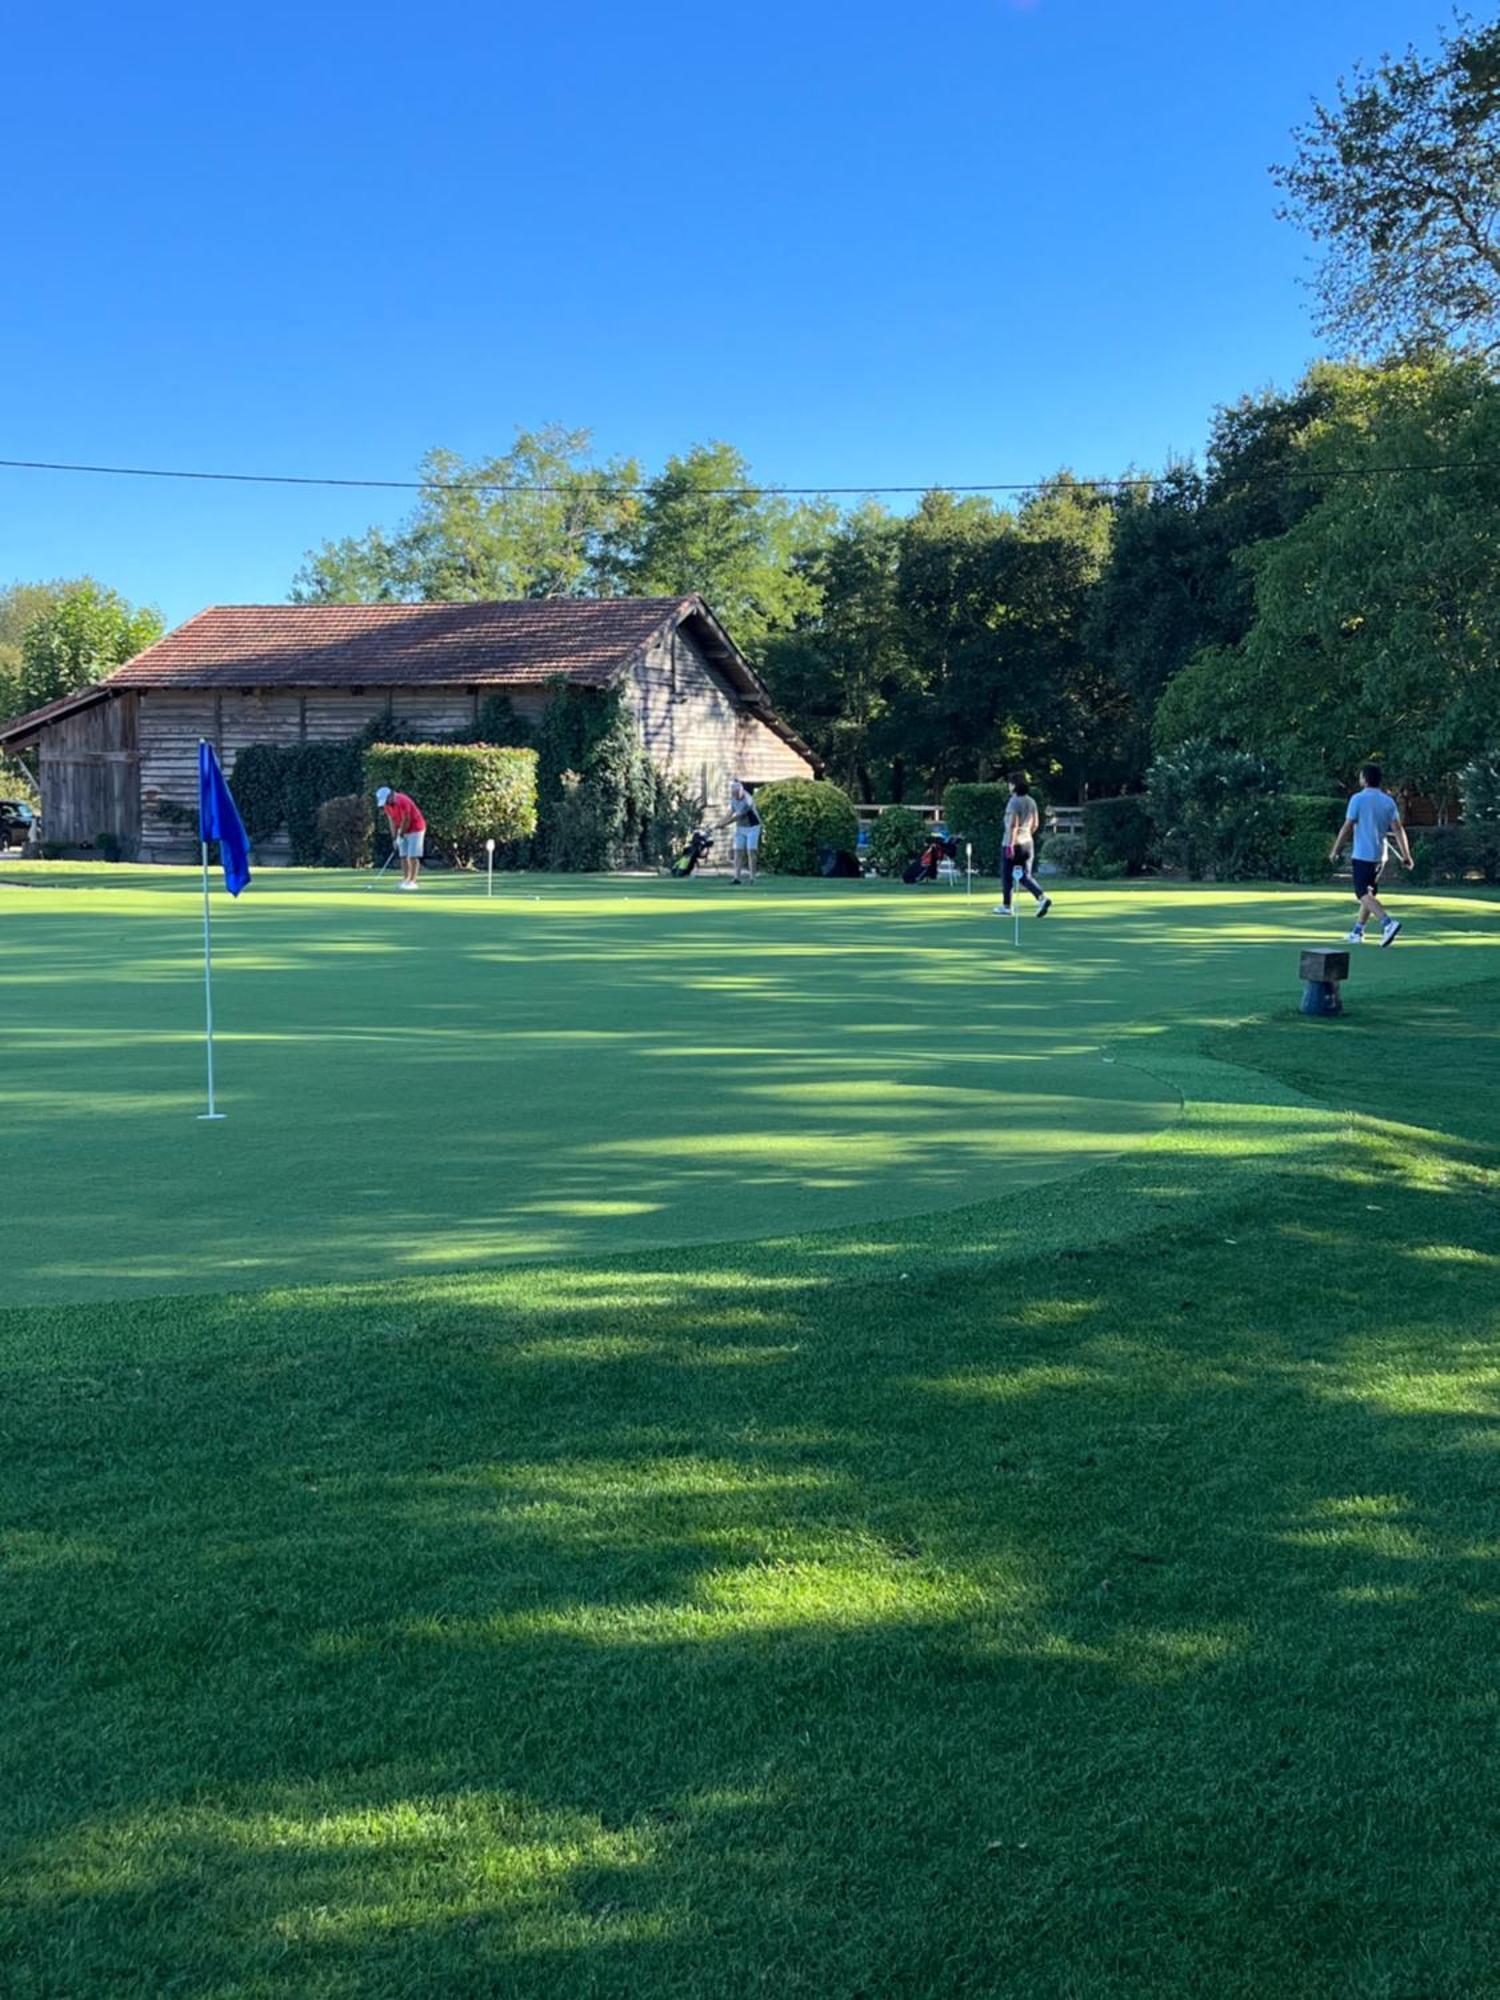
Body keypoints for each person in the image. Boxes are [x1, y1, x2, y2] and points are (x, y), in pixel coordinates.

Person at [1329, 763, 1413, 946]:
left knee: (1362, 894)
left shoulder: (1357, 799)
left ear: (1365, 779)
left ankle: (1388, 923)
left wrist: (1335, 849)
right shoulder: (1388, 801)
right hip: (1379, 857)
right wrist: (1406, 855)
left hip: (1362, 855)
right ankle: (1357, 932)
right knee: (1368, 894)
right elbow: (1398, 830)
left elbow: (1347, 826)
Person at [993, 772, 1052, 919]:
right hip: (1027, 842)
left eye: (1010, 783)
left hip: (1012, 842)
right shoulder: (1031, 801)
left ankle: (1006, 906)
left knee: (1007, 875)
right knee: (1026, 876)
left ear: (1014, 785)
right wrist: (1027, 834)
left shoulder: (1014, 802)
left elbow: (1013, 825)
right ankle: (1041, 898)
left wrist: (1011, 844)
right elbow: (1036, 823)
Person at [376, 783, 427, 891]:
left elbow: (407, 820)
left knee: (413, 856)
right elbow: (392, 821)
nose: (385, 803)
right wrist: (394, 838)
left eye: (386, 800)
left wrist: (401, 835)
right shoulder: (387, 805)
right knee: (403, 855)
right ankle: (405, 880)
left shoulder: (402, 801)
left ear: (390, 795)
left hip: (416, 828)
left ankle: (412, 882)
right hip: (402, 829)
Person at [717, 779, 762, 885]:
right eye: (733, 793)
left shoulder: (747, 801)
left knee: (751, 851)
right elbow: (730, 812)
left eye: (736, 793)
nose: (735, 795)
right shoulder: (733, 799)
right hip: (740, 828)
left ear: (740, 791)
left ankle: (752, 877)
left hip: (753, 827)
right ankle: (736, 878)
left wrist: (723, 824)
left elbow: (737, 816)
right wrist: (720, 822)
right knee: (738, 851)